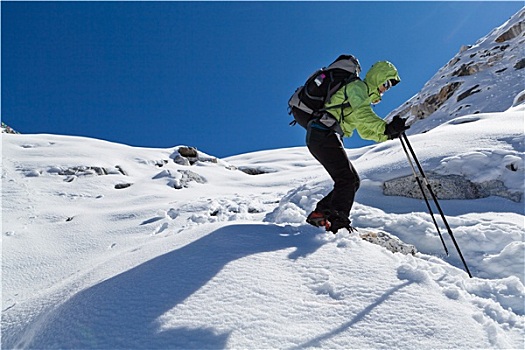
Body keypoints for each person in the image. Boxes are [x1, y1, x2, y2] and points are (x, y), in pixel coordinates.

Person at [300, 60, 409, 233]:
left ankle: (320, 214)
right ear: (377, 77)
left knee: (352, 181)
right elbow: (362, 113)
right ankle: (337, 222)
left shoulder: (362, 95)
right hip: (322, 132)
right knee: (347, 179)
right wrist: (385, 127)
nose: (386, 88)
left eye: (390, 86)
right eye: (386, 82)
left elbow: (365, 131)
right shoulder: (357, 87)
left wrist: (387, 134)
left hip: (325, 135)